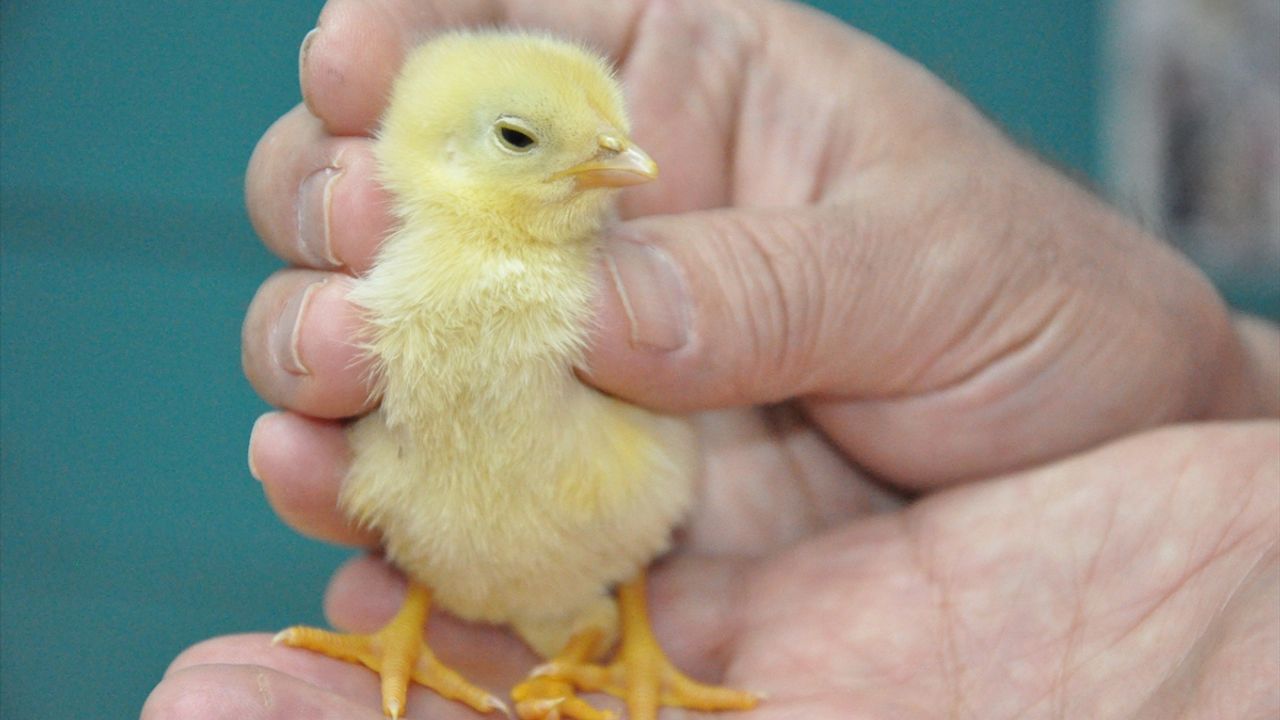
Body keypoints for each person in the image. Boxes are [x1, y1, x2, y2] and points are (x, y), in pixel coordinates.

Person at [144, 1, 1280, 717]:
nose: (615, 164)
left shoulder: (601, 289)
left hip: (630, 538)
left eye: (604, 135)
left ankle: (631, 636)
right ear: (436, 158)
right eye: (522, 143)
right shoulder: (412, 284)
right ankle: (411, 625)